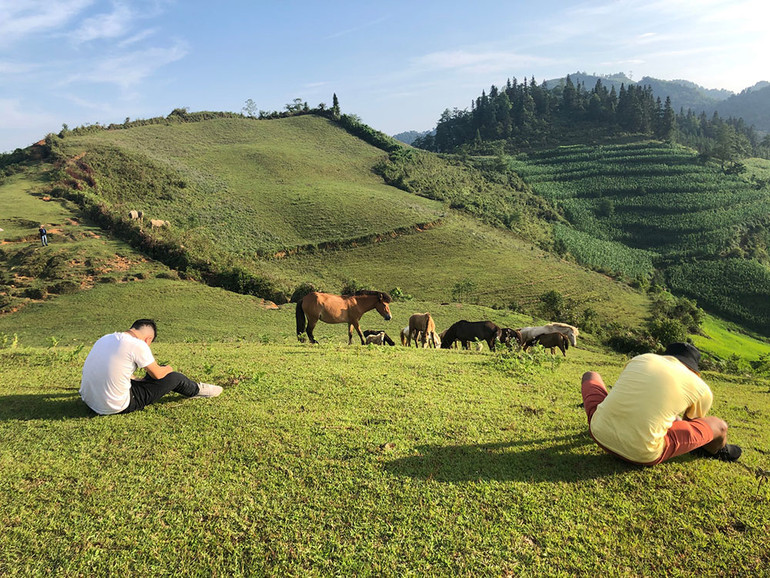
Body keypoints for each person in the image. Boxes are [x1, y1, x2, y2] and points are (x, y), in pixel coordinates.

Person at [580, 342, 741, 465]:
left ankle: (609, 418)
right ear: (695, 371)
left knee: (591, 375)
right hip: (642, 453)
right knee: (720, 426)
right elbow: (691, 424)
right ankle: (717, 451)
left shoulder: (641, 359)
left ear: (664, 357)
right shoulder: (700, 387)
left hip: (598, 431)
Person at [79, 319, 222, 415]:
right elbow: (158, 375)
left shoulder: (106, 338)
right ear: (148, 339)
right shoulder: (138, 344)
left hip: (89, 400)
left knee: (148, 376)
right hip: (113, 406)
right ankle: (198, 389)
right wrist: (168, 368)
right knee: (174, 377)